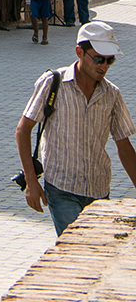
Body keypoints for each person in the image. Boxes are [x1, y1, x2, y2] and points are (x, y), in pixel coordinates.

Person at [15, 20, 136, 236]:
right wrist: (32, 183)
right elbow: (23, 130)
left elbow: (124, 146)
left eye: (110, 60)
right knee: (77, 245)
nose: (104, 66)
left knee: (97, 253)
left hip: (99, 191)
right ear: (79, 52)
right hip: (61, 190)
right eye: (98, 59)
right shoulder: (53, 83)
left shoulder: (112, 95)